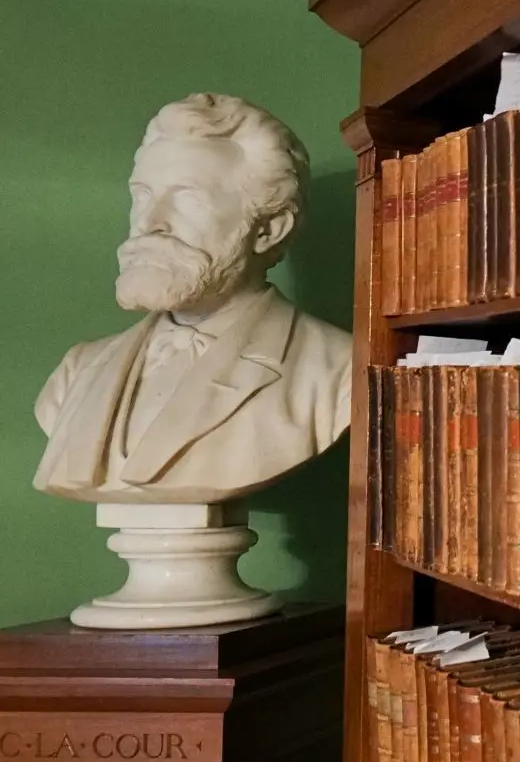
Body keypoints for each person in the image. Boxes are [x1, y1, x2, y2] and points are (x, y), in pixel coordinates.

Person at [34, 93, 351, 504]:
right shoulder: (76, 372)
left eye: (187, 199)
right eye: (142, 195)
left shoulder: (337, 371)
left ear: (268, 230)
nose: (149, 223)